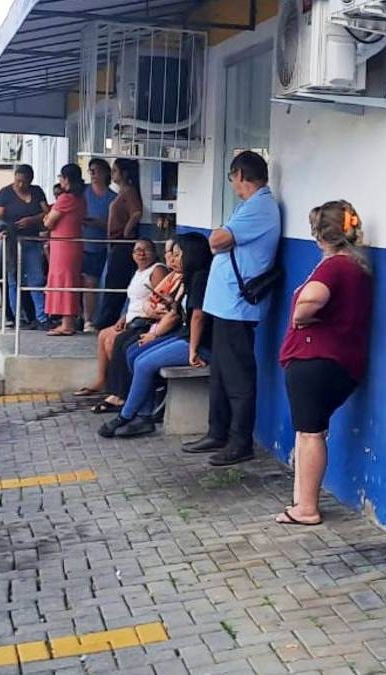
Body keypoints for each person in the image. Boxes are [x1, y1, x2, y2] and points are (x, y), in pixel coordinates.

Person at [275, 201, 373, 526]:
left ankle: (306, 508)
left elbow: (312, 298)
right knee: (310, 432)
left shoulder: (333, 267)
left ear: (320, 235)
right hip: (337, 363)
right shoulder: (357, 266)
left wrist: (302, 316)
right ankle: (301, 500)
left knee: (309, 433)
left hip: (314, 361)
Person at [181, 151, 282, 466]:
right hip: (224, 305)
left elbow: (218, 240)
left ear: (240, 175)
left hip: (237, 308)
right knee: (220, 375)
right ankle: (218, 431)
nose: (232, 184)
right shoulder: (249, 207)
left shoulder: (261, 207)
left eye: (232, 177)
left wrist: (219, 236)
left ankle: (240, 441)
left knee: (238, 378)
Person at [98, 233, 212, 439]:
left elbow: (198, 317)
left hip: (199, 343)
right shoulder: (188, 277)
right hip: (185, 335)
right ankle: (143, 416)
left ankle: (125, 415)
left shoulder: (201, 278)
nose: (173, 260)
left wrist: (193, 350)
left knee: (143, 363)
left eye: (179, 255)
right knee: (134, 352)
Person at [74, 238, 169, 402]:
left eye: (146, 250)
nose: (141, 254)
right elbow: (134, 300)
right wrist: (123, 318)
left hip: (146, 322)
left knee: (114, 341)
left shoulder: (157, 270)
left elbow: (160, 300)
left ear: (154, 253)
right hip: (132, 319)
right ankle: (102, 381)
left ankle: (124, 388)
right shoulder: (138, 272)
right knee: (103, 334)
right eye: (137, 250)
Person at [0, 164, 50, 330]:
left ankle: (41, 317)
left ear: (30, 180)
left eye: (24, 182)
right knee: (13, 280)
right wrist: (3, 231)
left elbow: (46, 212)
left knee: (36, 279)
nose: (20, 185)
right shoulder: (5, 193)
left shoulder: (37, 191)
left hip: (32, 240)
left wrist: (32, 220)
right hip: (12, 241)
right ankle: (18, 317)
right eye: (17, 181)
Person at [93, 158, 143, 328]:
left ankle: (107, 319)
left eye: (115, 171)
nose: (112, 174)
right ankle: (107, 317)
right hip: (115, 242)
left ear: (124, 173)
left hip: (122, 242)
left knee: (116, 281)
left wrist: (127, 231)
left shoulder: (129, 191)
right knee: (112, 280)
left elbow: (136, 212)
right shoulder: (121, 192)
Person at [43, 163, 87, 336]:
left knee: (64, 280)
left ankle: (67, 323)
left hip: (63, 244)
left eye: (61, 177)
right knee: (68, 279)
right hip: (71, 243)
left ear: (66, 179)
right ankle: (67, 320)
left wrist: (47, 216)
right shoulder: (80, 198)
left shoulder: (65, 199)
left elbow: (48, 222)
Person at [81, 157, 116, 331]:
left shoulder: (113, 198)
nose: (93, 174)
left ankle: (90, 319)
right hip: (79, 243)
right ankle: (78, 317)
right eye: (90, 171)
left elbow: (113, 223)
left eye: (96, 170)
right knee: (80, 282)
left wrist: (97, 222)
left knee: (93, 283)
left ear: (106, 173)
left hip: (99, 245)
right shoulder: (83, 192)